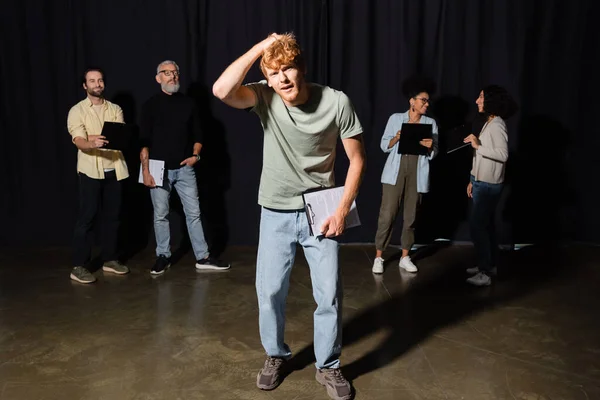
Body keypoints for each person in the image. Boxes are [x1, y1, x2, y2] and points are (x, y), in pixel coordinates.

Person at [212, 33, 366, 400]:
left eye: (288, 69)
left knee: (329, 294)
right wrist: (259, 49)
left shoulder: (336, 101)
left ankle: (328, 366)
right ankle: (276, 356)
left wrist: (343, 209)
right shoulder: (265, 97)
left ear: (302, 68)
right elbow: (221, 90)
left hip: (322, 211)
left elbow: (357, 159)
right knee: (269, 292)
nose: (282, 78)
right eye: (273, 72)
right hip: (276, 211)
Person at [140, 60, 230, 275]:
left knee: (194, 214)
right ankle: (163, 255)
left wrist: (195, 156)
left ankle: (203, 257)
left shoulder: (189, 104)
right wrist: (145, 170)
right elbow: (143, 141)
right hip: (157, 167)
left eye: (175, 72)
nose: (172, 76)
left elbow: (198, 134)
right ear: (158, 78)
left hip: (184, 169)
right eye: (167, 73)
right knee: (160, 215)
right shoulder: (150, 105)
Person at [67, 68, 130, 284]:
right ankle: (79, 266)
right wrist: (89, 141)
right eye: (92, 81)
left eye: (100, 80)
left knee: (113, 218)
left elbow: (119, 136)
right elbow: (79, 141)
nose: (97, 84)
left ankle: (110, 260)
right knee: (87, 218)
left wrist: (92, 137)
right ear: (85, 86)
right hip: (90, 171)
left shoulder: (115, 108)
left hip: (114, 169)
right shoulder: (77, 111)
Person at [372, 77, 438, 274]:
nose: (427, 104)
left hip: (417, 172)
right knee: (387, 215)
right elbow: (383, 145)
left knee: (411, 217)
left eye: (427, 101)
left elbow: (435, 153)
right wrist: (396, 138)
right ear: (412, 101)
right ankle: (378, 257)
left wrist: (430, 147)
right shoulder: (395, 119)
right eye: (423, 100)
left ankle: (405, 256)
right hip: (395, 172)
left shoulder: (430, 123)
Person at [464, 85, 517, 286]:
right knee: (486, 226)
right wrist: (471, 178)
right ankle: (488, 265)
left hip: (488, 185)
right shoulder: (489, 122)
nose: (477, 101)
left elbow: (503, 155)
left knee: (478, 226)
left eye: (481, 97)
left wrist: (478, 145)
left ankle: (485, 273)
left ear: (492, 101)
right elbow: (480, 156)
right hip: (480, 181)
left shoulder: (497, 125)